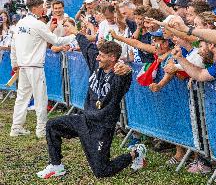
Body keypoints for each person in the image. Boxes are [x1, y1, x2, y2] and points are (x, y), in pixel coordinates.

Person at [37, 28, 147, 179]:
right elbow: (86, 45)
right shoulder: (97, 64)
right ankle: (56, 166)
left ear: (113, 57)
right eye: (99, 55)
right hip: (85, 119)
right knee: (52, 125)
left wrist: (127, 69)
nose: (98, 58)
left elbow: (126, 75)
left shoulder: (119, 75)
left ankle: (136, 153)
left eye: (101, 56)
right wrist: (75, 32)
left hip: (102, 128)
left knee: (101, 171)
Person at [10, 0, 76, 138]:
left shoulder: (21, 22)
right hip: (34, 66)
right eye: (42, 7)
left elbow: (13, 45)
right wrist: (74, 36)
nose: (44, 9)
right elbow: (56, 40)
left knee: (22, 98)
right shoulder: (37, 24)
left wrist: (14, 63)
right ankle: (41, 130)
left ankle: (16, 127)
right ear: (34, 8)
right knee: (40, 98)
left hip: (23, 66)